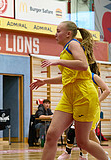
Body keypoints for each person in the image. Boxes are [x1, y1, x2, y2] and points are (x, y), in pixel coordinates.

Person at [30, 21, 109, 160]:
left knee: (83, 141)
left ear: (68, 34)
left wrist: (58, 62)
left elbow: (84, 65)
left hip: (83, 95)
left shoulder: (73, 44)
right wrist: (45, 81)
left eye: (58, 31)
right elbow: (66, 78)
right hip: (69, 96)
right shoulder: (65, 50)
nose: (55, 34)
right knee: (52, 135)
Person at [58, 62, 110, 160]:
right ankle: (99, 152)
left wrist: (97, 101)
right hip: (80, 108)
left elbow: (106, 91)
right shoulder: (77, 78)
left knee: (87, 134)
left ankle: (83, 156)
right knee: (85, 133)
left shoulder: (93, 77)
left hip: (93, 110)